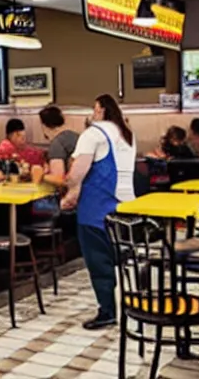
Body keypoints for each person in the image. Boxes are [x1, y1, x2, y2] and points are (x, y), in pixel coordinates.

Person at [61, 94, 136, 330]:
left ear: (101, 110)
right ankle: (131, 305)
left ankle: (107, 312)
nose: (92, 114)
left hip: (97, 209)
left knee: (99, 262)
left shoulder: (93, 134)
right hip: (126, 207)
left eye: (94, 109)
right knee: (119, 260)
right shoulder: (126, 134)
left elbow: (77, 174)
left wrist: (70, 192)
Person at [39, 104, 79, 183]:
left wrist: (41, 176)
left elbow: (58, 179)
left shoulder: (57, 144)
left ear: (44, 126)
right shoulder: (76, 136)